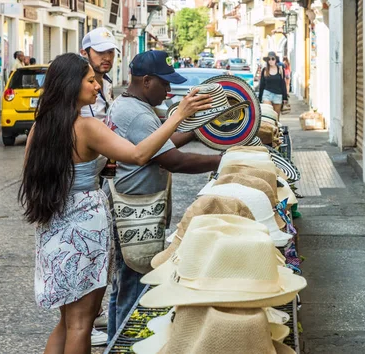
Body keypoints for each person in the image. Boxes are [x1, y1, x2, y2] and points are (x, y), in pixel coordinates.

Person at [19, 52, 211, 354]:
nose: (98, 86)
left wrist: (94, 169)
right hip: (86, 227)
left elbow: (47, 173)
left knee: (66, 322)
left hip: (53, 226)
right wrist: (177, 117)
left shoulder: (39, 129)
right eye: (91, 80)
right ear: (71, 84)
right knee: (82, 323)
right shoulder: (87, 126)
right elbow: (139, 155)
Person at [105, 50, 222, 342]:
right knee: (134, 287)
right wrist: (223, 160)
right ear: (146, 81)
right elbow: (172, 160)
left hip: (136, 208)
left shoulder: (133, 106)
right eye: (164, 84)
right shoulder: (135, 113)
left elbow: (163, 142)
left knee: (124, 285)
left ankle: (113, 342)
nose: (169, 91)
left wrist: (197, 128)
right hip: (135, 212)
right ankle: (124, 344)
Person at [79, 26, 120, 344]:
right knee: (85, 260)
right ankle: (84, 324)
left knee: (100, 259)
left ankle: (91, 315)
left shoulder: (102, 86)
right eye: (100, 52)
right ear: (85, 54)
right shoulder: (78, 92)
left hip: (99, 180)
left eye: (110, 52)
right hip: (81, 190)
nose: (107, 58)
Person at [258, 51, 288, 117]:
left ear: (276, 60)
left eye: (272, 59)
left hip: (278, 95)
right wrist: (259, 98)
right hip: (267, 94)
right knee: (268, 116)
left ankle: (276, 127)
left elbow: (283, 84)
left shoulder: (280, 69)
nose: (271, 61)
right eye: (269, 59)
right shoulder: (265, 70)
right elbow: (262, 85)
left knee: (276, 117)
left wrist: (285, 97)